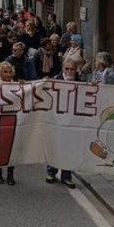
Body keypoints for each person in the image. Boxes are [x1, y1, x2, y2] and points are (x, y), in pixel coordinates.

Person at [46, 59, 79, 189]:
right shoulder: (55, 81)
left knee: (69, 149)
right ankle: (51, 172)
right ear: (63, 69)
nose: (69, 72)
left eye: (72, 69)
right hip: (57, 121)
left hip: (72, 122)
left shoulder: (82, 83)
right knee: (55, 146)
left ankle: (67, 176)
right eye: (67, 69)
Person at [0, 62, 16, 186]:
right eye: (5, 72)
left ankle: (10, 173)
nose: (7, 75)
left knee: (12, 147)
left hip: (12, 120)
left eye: (9, 72)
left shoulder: (17, 85)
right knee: (0, 147)